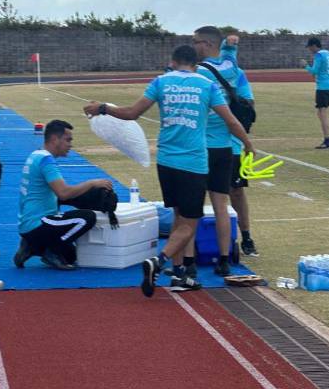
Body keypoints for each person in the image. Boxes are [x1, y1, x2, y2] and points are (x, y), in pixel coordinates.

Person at [83, 45, 253, 296]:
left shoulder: (161, 82)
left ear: (172, 61)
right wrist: (248, 144)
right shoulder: (206, 86)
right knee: (190, 223)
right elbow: (231, 121)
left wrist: (103, 108)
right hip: (193, 162)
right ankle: (158, 261)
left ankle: (179, 275)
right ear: (195, 64)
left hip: (166, 160)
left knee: (177, 217)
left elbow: (131, 114)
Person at [14, 120, 112, 270]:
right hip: (37, 224)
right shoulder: (46, 160)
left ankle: (32, 246)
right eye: (68, 140)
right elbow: (64, 193)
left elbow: (60, 195)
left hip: (28, 225)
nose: (70, 144)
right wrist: (92, 184)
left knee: (71, 256)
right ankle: (49, 249)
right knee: (87, 218)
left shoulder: (35, 155)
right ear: (54, 139)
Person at [192, 26, 245, 276]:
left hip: (201, 147)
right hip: (224, 146)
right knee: (220, 205)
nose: (194, 47)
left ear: (207, 44)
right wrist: (231, 45)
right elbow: (229, 54)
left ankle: (189, 259)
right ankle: (223, 259)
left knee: (191, 207)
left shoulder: (199, 73)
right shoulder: (230, 67)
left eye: (196, 43)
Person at [221, 37, 258, 257]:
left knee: (236, 192)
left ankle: (246, 237)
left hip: (232, 143)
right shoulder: (199, 73)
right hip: (203, 145)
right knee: (215, 195)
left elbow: (248, 104)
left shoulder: (238, 74)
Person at [300, 37, 329, 149]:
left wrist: (305, 65)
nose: (309, 50)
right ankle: (327, 137)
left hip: (322, 87)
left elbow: (314, 71)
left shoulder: (319, 55)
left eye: (310, 47)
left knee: (322, 113)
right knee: (320, 113)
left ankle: (327, 139)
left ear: (314, 45)